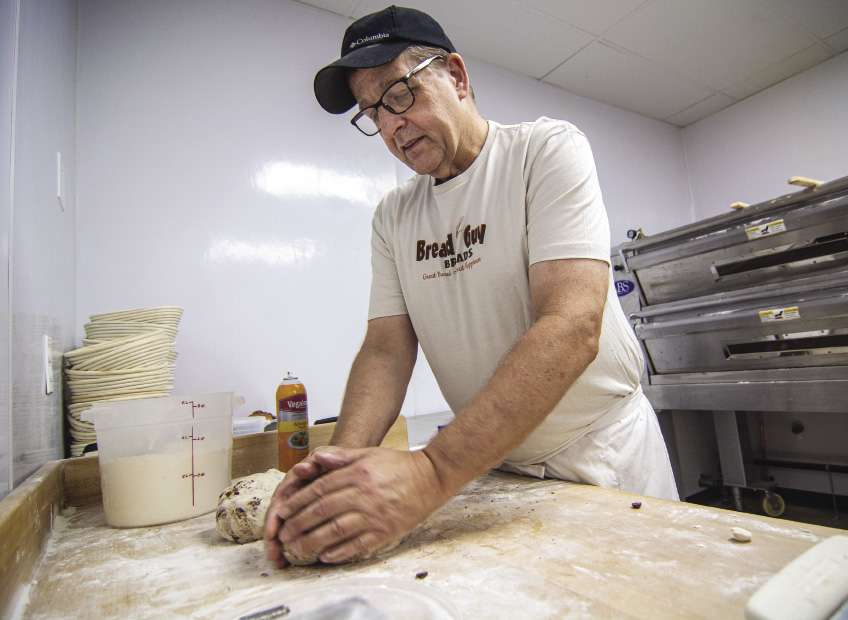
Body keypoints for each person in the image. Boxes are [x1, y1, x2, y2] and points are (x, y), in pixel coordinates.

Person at [264, 4, 677, 567]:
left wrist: (431, 472)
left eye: (399, 93)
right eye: (372, 113)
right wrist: (333, 472)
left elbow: (572, 323)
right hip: (493, 462)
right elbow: (386, 350)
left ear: (456, 76)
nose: (390, 125)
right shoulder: (394, 215)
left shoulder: (544, 151)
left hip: (603, 457)